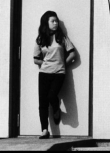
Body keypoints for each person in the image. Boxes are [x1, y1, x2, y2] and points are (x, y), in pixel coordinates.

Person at [33, 11, 76, 139]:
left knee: (52, 96)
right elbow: (36, 59)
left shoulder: (61, 37)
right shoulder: (40, 38)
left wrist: (62, 64)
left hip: (59, 73)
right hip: (44, 73)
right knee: (43, 102)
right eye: (53, 21)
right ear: (46, 22)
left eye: (57, 21)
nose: (56, 23)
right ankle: (45, 130)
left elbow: (73, 54)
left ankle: (56, 109)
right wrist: (47, 63)